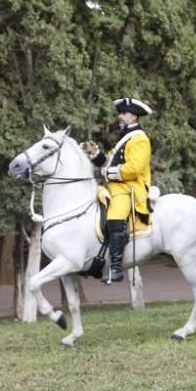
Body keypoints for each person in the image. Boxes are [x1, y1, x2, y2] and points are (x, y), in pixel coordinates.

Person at [83, 97, 153, 284]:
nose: (119, 116)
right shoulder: (123, 137)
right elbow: (108, 164)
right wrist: (96, 154)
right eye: (120, 113)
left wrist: (107, 172)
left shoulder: (140, 139)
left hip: (131, 188)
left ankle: (115, 267)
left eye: (123, 113)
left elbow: (134, 168)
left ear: (134, 116)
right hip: (115, 186)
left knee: (114, 217)